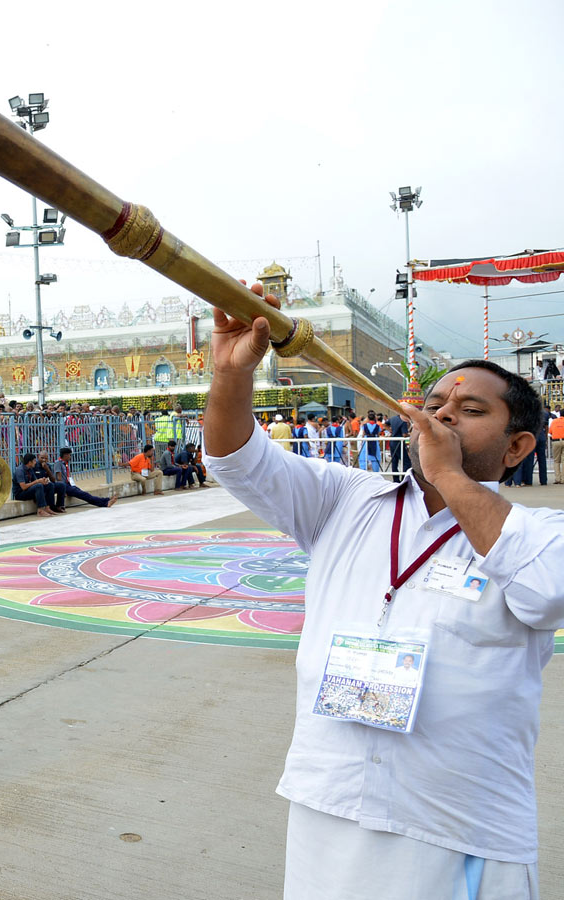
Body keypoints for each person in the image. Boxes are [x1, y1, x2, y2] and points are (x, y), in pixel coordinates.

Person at [204, 286, 557, 898]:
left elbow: (546, 594)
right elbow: (237, 459)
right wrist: (232, 376)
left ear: (518, 447)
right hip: (330, 799)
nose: (443, 414)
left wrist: (448, 473)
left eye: (471, 410)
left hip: (454, 824)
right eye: (437, 401)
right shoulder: (348, 496)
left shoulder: (540, 534)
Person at [13, 452, 62, 517]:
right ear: (29, 462)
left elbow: (36, 480)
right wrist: (37, 481)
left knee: (49, 485)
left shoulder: (30, 469)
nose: (35, 462)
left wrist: (43, 480)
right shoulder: (20, 470)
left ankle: (48, 507)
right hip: (20, 493)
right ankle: (40, 510)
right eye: (34, 461)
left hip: (28, 490)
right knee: (38, 486)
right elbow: (23, 487)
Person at [549, 411, 564, 483]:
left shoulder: (554, 422)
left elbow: (550, 432)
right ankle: (563, 479)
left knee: (556, 461)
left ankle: (558, 479)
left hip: (556, 441)